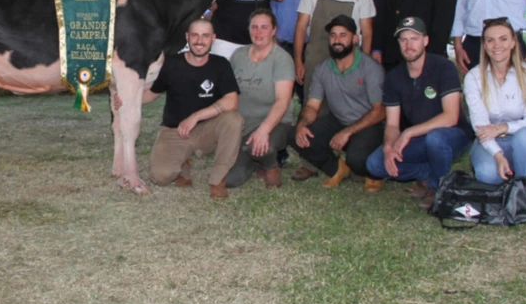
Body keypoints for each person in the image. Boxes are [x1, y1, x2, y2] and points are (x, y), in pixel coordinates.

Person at [366, 16, 473, 210]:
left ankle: (437, 187)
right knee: (375, 163)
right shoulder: (394, 77)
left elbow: (451, 117)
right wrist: (389, 146)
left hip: (453, 135)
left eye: (414, 39)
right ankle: (428, 173)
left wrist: (409, 132)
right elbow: (391, 124)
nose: (409, 45)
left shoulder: (443, 67)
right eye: (404, 40)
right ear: (398, 43)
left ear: (425, 41)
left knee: (435, 139)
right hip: (420, 139)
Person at [138, 18, 242, 199]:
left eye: (205, 36)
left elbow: (232, 101)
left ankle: (218, 179)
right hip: (175, 130)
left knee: (234, 120)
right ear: (187, 37)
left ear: (213, 38)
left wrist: (196, 116)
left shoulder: (221, 64)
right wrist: (126, 100)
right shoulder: (172, 64)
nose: (199, 41)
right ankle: (183, 164)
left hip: (208, 131)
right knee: (160, 177)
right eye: (194, 35)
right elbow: (152, 93)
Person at [290, 15, 386, 190]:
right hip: (339, 121)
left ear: (355, 39)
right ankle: (338, 169)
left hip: (368, 124)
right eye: (333, 35)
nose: (337, 40)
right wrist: (302, 124)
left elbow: (380, 111)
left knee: (357, 157)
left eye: (343, 35)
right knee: (297, 137)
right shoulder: (322, 69)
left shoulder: (370, 68)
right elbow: (312, 106)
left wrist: (347, 132)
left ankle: (372, 173)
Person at [463, 17, 526, 205]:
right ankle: (512, 175)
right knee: (487, 174)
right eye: (490, 40)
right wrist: (498, 156)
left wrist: (501, 128)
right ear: (484, 45)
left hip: (523, 140)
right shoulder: (473, 77)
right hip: (488, 142)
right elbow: (481, 127)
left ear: (513, 42)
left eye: (503, 39)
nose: (496, 45)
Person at [226, 10, 294, 189]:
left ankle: (271, 166)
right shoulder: (238, 55)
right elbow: (229, 92)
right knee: (230, 180)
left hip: (274, 123)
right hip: (242, 125)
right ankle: (255, 160)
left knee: (262, 144)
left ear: (273, 31)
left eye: (264, 27)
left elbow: (282, 101)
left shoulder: (282, 59)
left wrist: (264, 130)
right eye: (254, 27)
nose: (258, 32)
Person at [292, 0, 376, 87]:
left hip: (348, 65)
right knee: (312, 105)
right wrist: (298, 61)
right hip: (315, 61)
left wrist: (364, 65)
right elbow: (300, 27)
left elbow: (367, 33)